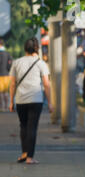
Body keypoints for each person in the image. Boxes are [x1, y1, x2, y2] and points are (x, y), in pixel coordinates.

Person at [9, 37, 53, 165]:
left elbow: (12, 84)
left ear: (24, 48)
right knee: (32, 127)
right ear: (37, 48)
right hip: (36, 99)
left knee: (23, 126)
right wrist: (50, 102)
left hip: (21, 99)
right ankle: (30, 157)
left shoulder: (17, 62)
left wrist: (11, 101)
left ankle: (24, 153)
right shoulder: (41, 63)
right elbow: (46, 84)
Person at [0, 38, 13, 111]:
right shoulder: (7, 53)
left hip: (0, 75)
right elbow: (10, 62)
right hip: (6, 75)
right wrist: (8, 69)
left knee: (0, 93)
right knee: (6, 92)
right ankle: (7, 106)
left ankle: (2, 107)